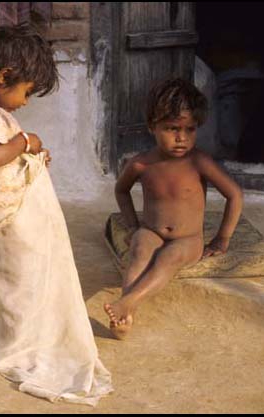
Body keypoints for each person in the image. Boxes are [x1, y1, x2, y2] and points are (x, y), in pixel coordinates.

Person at [0, 23, 112, 406]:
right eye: (25, 92)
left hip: (8, 216)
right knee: (17, 279)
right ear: (4, 76)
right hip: (10, 223)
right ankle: (18, 342)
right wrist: (28, 141)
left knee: (11, 277)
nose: (25, 102)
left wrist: (29, 156)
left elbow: (0, 155)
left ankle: (10, 335)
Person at [104, 78, 244, 340]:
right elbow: (121, 190)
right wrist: (133, 225)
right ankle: (124, 319)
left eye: (190, 129)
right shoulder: (141, 164)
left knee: (168, 259)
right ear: (151, 127)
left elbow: (234, 194)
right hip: (152, 230)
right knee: (139, 250)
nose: (181, 138)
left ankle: (128, 302)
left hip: (188, 239)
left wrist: (222, 237)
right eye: (171, 128)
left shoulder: (198, 162)